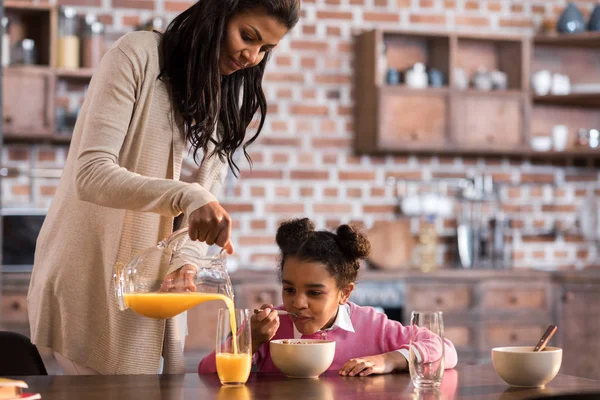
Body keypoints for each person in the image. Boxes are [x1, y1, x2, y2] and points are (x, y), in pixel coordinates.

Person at [27, 0, 300, 375]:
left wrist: (186, 261)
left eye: (265, 49)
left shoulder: (225, 98)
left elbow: (201, 206)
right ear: (216, 15)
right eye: (247, 36)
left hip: (158, 294)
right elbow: (91, 173)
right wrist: (188, 196)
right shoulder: (136, 55)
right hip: (91, 277)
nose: (251, 56)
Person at [199, 218, 458, 376]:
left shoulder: (371, 325)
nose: (298, 303)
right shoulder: (269, 329)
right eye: (289, 289)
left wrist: (390, 360)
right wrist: (251, 339)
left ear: (344, 293)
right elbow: (208, 372)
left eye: (314, 293)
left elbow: (446, 350)